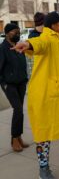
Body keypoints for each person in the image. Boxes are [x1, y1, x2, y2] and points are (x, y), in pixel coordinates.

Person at [12, 11, 59, 179]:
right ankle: (43, 168)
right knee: (44, 132)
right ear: (54, 26)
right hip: (44, 94)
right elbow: (39, 43)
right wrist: (27, 44)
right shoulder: (48, 37)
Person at [0, 23, 28, 152]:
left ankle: (18, 137)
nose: (17, 34)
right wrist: (3, 83)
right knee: (17, 109)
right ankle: (14, 139)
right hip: (9, 83)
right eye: (14, 32)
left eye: (18, 31)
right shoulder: (2, 48)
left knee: (20, 110)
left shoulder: (18, 46)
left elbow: (22, 62)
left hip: (21, 82)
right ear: (7, 33)